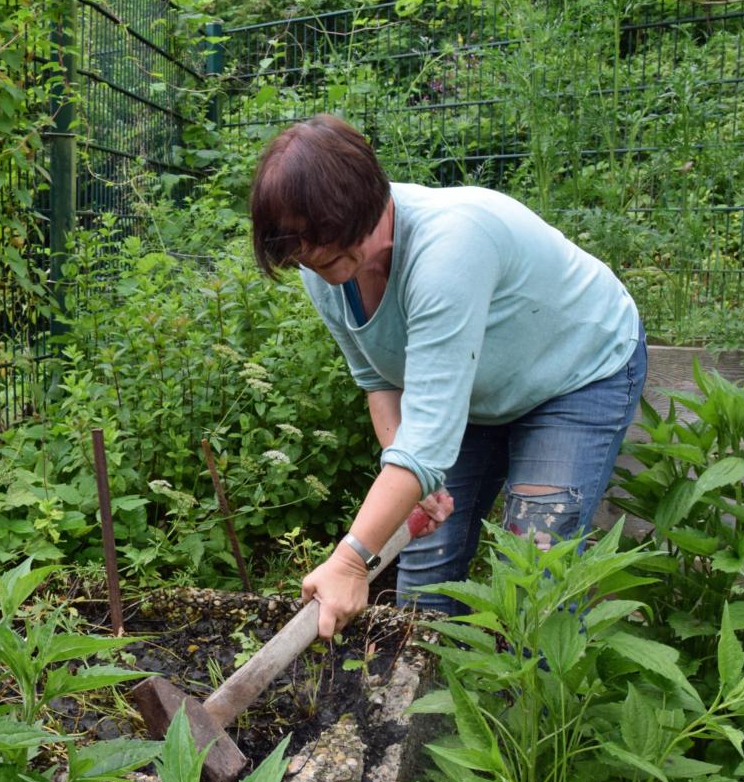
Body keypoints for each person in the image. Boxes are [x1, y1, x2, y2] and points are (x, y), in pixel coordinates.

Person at [249, 114, 646, 638]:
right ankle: (425, 718)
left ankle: (536, 718)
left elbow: (429, 441)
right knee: (424, 578)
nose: (305, 261)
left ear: (356, 211)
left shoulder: (450, 248)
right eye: (297, 249)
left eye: (314, 247)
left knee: (533, 566)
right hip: (473, 389)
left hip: (574, 373)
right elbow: (378, 379)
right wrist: (414, 487)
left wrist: (350, 561)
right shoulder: (320, 266)